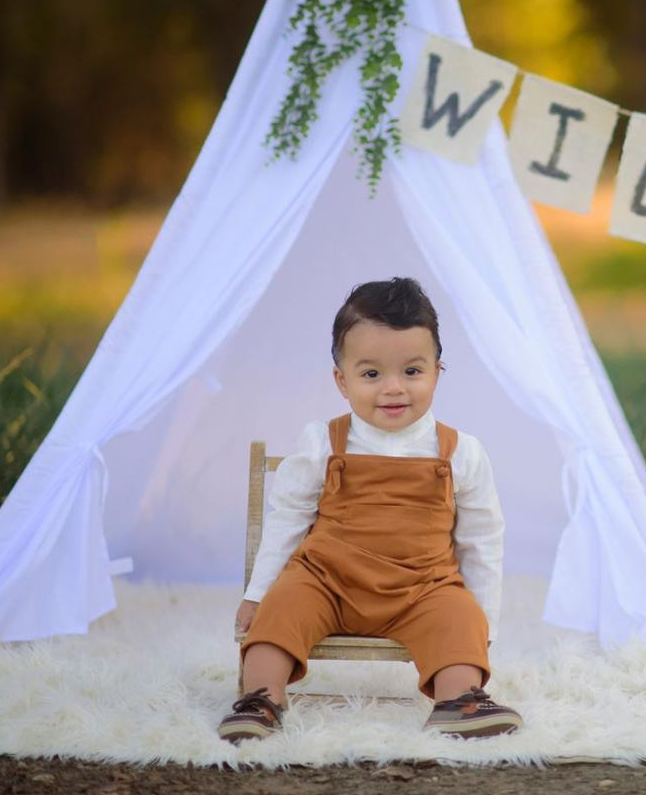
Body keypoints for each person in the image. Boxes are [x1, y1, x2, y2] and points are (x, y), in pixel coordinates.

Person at [218, 277, 522, 744]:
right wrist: (258, 593)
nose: (393, 389)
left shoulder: (461, 451)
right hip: (327, 580)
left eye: (412, 371)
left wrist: (483, 624)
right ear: (342, 381)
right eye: (372, 374)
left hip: (422, 587)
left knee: (458, 616)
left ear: (438, 372)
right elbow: (289, 518)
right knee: (281, 609)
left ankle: (460, 700)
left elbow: (481, 541)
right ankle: (262, 697)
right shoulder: (324, 441)